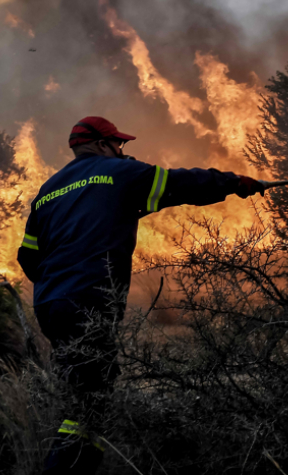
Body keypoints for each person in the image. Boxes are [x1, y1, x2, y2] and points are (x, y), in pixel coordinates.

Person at [17, 116, 266, 474]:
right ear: (103, 144)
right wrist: (232, 182)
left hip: (50, 304)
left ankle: (77, 461)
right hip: (89, 299)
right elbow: (181, 184)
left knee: (84, 391)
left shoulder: (49, 190)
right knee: (90, 402)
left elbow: (28, 256)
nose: (122, 150)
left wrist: (59, 282)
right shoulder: (118, 173)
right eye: (119, 144)